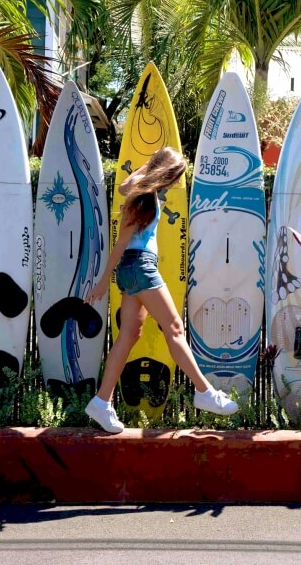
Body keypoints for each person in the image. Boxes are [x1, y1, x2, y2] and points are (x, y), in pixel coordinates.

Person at [85, 146, 239, 433]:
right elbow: (122, 240)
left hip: (132, 270)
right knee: (175, 329)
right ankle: (205, 393)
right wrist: (103, 279)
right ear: (166, 174)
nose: (174, 182)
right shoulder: (145, 198)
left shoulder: (140, 190)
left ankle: (101, 402)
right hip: (140, 267)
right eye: (174, 176)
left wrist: (149, 165)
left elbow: (123, 185)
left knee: (129, 334)